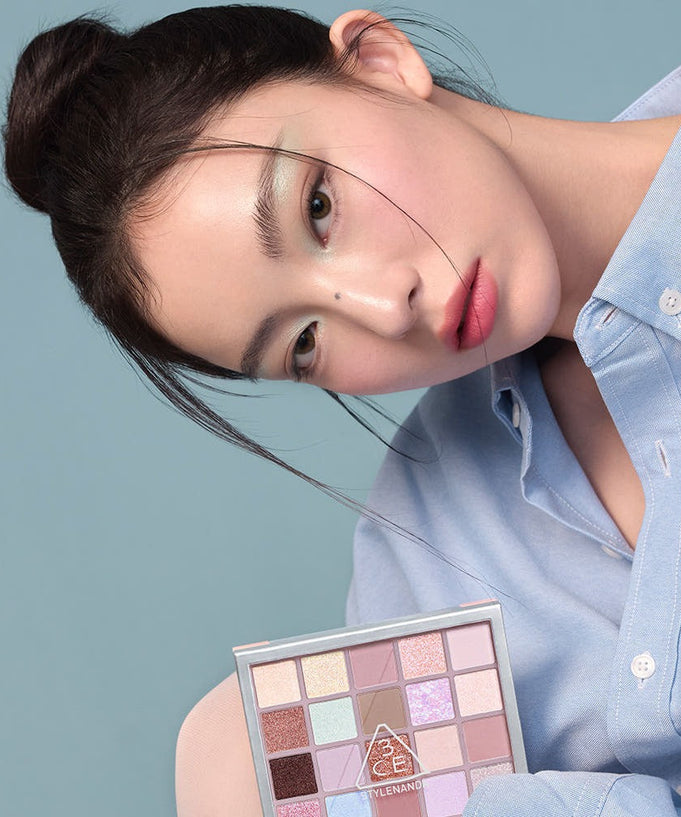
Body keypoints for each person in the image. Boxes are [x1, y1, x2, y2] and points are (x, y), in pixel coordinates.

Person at [4, 4, 681, 816]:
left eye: (317, 208)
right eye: (301, 342)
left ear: (381, 60)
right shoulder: (433, 553)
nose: (381, 306)